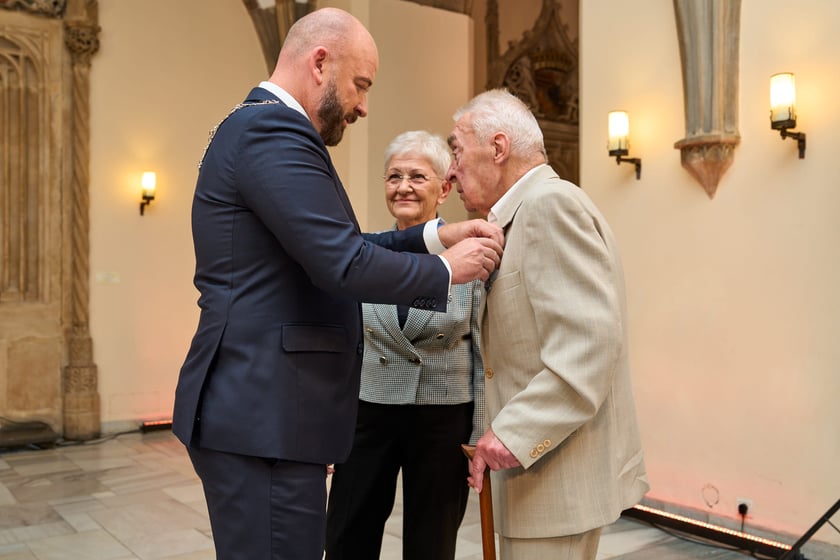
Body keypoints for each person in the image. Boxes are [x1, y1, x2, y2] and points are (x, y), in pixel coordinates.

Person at [171, 9, 504, 560]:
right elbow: (341, 263)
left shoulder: (259, 127)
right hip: (264, 416)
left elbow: (335, 246)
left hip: (268, 414)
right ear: (320, 63)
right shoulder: (272, 130)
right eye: (361, 84)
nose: (362, 105)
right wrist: (450, 269)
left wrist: (434, 237)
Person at [448, 89, 649, 560]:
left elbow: (589, 347)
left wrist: (511, 433)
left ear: (498, 149)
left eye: (456, 149)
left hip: (556, 482)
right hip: (537, 480)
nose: (451, 169)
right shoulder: (523, 216)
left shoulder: (550, 207)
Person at [325, 131, 485, 560]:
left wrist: (480, 435)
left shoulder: (471, 255)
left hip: (443, 416)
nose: (403, 186)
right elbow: (342, 344)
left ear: (444, 188)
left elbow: (484, 354)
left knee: (432, 542)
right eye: (394, 176)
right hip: (368, 409)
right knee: (347, 533)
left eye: (417, 176)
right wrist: (327, 424)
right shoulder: (363, 253)